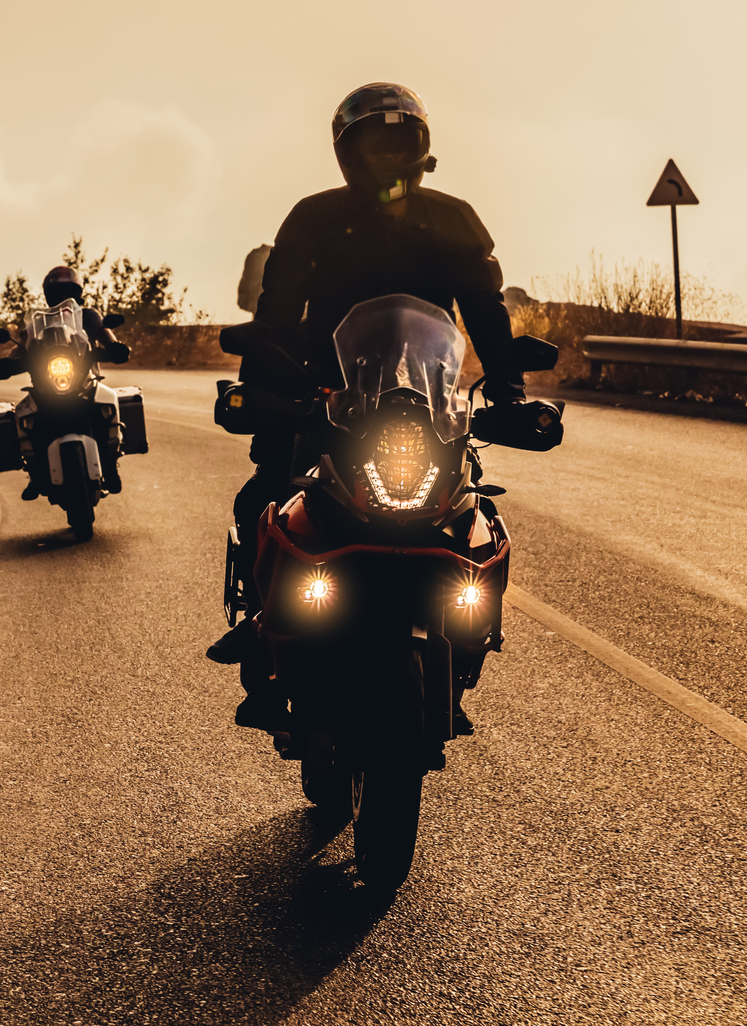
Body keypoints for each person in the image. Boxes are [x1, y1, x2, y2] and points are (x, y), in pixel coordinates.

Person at [207, 83, 528, 700]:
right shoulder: (313, 219)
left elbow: (486, 313)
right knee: (267, 494)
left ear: (420, 146)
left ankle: (468, 628)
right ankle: (259, 616)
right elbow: (277, 316)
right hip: (325, 393)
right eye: (372, 145)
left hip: (427, 401)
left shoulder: (453, 220)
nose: (385, 158)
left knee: (467, 513)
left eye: (397, 143)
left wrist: (508, 390)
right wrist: (262, 389)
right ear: (347, 152)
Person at [0, 265, 132, 498]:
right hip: (46, 384)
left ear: (78, 292)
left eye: (68, 290)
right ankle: (36, 474)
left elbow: (106, 336)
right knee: (23, 415)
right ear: (48, 295)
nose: (62, 296)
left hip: (84, 380)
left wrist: (116, 348)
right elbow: (22, 348)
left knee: (110, 401)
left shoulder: (90, 316)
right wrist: (8, 362)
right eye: (57, 291)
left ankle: (110, 464)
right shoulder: (37, 322)